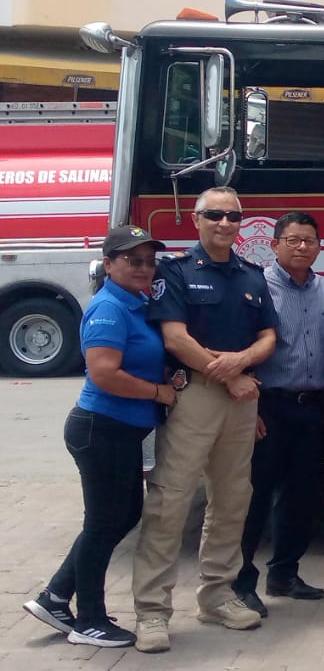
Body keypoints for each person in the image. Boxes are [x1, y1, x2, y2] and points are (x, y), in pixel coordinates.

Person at [132, 188, 279, 653]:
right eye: (214, 215)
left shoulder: (252, 274)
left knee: (233, 499)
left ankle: (217, 595)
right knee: (170, 500)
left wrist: (242, 363)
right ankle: (152, 611)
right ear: (196, 219)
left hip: (242, 397)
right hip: (194, 395)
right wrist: (229, 375)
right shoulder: (175, 272)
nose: (224, 223)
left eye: (233, 216)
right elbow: (175, 338)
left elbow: (269, 337)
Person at [24, 226, 174, 648]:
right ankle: (88, 620)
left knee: (124, 516)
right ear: (108, 264)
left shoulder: (137, 302)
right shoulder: (108, 307)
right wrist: (159, 392)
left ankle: (55, 597)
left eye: (149, 261)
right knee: (101, 524)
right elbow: (105, 373)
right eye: (132, 260)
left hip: (121, 432)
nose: (143, 268)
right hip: (101, 429)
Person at [235, 212, 324, 617]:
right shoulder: (257, 287)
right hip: (269, 406)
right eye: (293, 240)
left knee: (303, 495)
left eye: (309, 240)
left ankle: (284, 574)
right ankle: (241, 583)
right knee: (255, 497)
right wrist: (251, 409)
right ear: (274, 245)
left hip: (311, 407)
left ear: (319, 247)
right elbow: (241, 345)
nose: (302, 247)